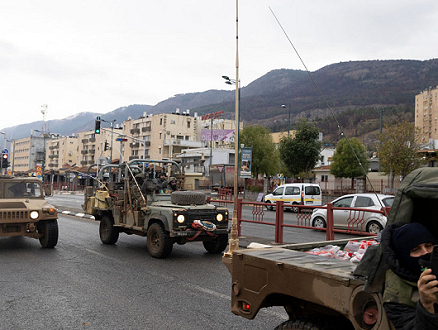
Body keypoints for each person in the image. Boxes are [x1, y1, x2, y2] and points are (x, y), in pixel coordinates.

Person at [381, 222, 438, 329]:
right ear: (403, 257)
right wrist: (427, 307)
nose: (425, 253)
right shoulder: (395, 294)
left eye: (428, 246)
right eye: (415, 250)